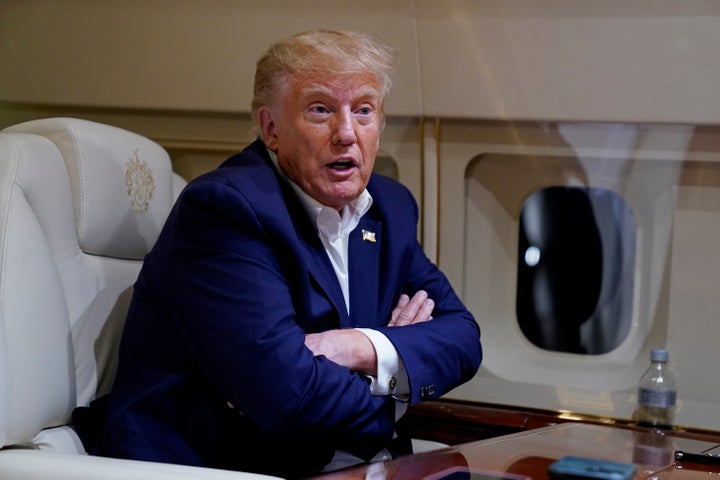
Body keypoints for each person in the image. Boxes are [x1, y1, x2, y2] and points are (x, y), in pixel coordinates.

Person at [79, 29, 482, 478]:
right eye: (321, 109)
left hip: (354, 465)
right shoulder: (225, 209)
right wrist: (396, 397)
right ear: (271, 128)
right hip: (226, 468)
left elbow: (463, 339)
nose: (347, 133)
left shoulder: (390, 208)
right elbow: (287, 396)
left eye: (364, 110)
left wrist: (357, 346)